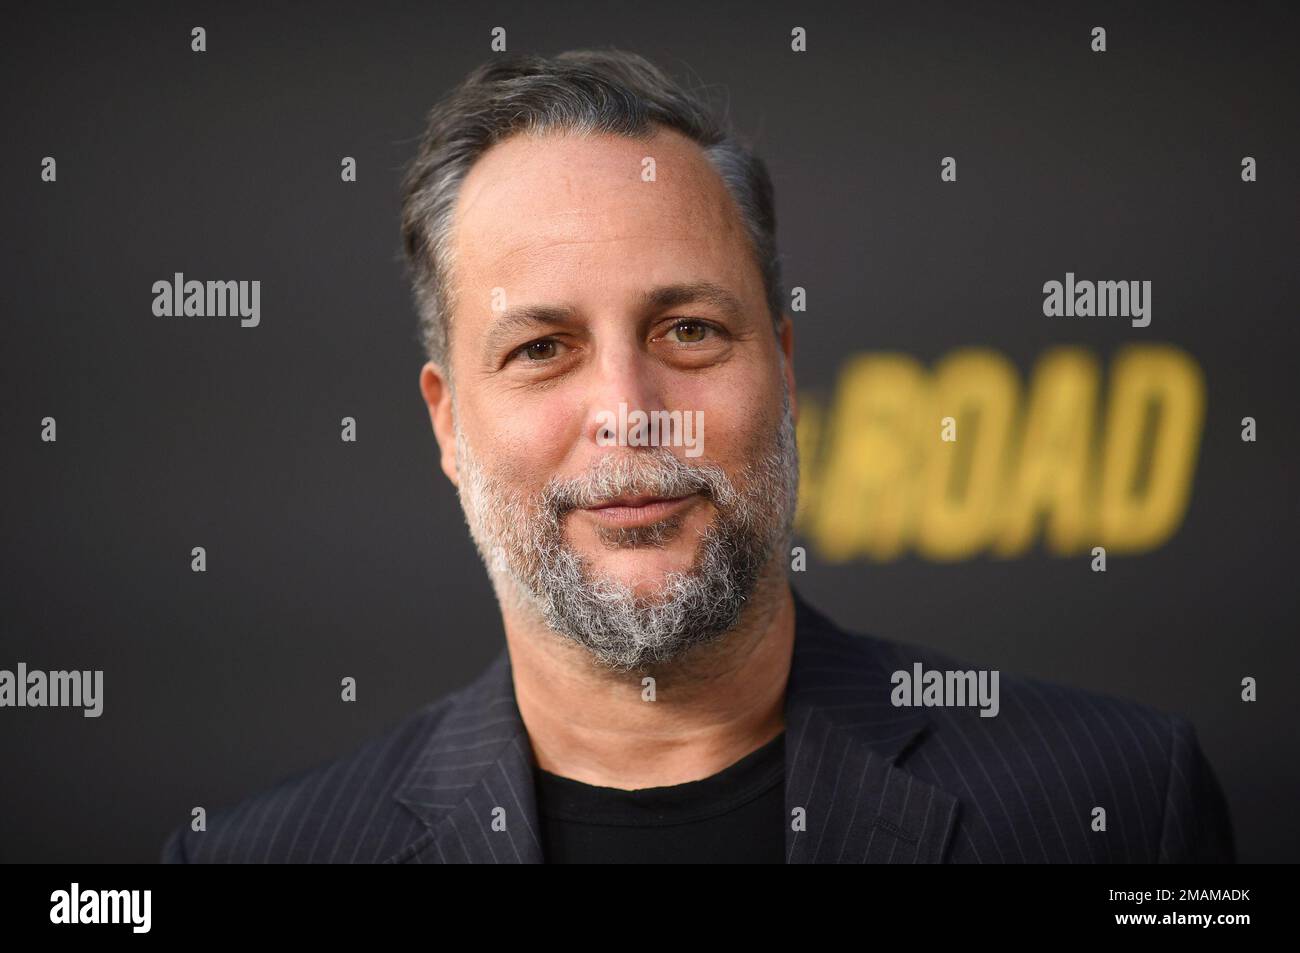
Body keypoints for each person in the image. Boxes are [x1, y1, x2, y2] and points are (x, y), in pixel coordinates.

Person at [161, 49, 1233, 863]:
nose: (630, 412)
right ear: (448, 423)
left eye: (688, 332)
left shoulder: (1122, 803)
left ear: (781, 365)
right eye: (542, 348)